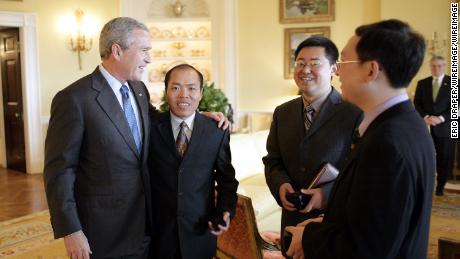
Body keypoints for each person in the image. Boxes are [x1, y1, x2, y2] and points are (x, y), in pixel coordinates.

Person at [44, 17, 227, 259]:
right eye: (143, 50)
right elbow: (59, 172)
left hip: (147, 224)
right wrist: (71, 230)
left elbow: (158, 120)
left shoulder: (138, 90)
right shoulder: (74, 99)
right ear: (117, 51)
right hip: (103, 229)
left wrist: (195, 116)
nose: (149, 58)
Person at [285, 19, 436, 259]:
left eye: (344, 61)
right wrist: (325, 223)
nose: (338, 70)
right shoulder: (406, 123)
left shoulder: (387, 143)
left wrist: (309, 236)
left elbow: (367, 249)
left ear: (371, 70)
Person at [263, 36, 362, 255]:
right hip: (291, 219)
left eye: (315, 63)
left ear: (334, 69)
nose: (305, 69)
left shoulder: (354, 112)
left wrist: (325, 195)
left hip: (331, 222)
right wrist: (280, 185)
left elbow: (359, 172)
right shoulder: (283, 112)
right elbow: (272, 161)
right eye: (300, 63)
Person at [148, 64, 239, 259]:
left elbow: (227, 181)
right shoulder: (149, 128)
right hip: (157, 235)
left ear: (201, 92)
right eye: (175, 87)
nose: (184, 95)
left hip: (200, 233)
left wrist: (225, 211)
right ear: (166, 91)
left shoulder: (216, 131)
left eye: (191, 88)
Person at [414, 55, 453, 196]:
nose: (437, 68)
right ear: (430, 67)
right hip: (425, 128)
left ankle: (440, 188)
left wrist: (441, 118)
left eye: (440, 66)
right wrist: (426, 117)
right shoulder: (422, 83)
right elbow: (417, 103)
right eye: (434, 66)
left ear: (445, 66)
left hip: (445, 128)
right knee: (425, 157)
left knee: (444, 158)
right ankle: (426, 185)